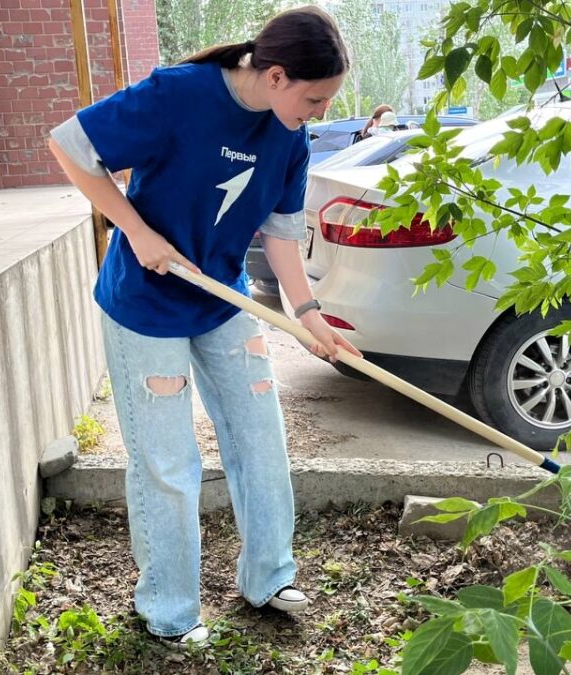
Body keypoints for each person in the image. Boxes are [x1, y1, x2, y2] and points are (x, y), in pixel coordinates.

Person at [46, 5, 360, 648]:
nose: (321, 113)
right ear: (276, 75)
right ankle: (169, 610)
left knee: (260, 437)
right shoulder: (178, 94)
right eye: (316, 97)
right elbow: (70, 144)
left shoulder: (289, 134)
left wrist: (308, 317)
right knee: (167, 463)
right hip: (146, 305)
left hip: (222, 301)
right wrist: (134, 231)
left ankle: (269, 577)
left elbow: (279, 234)